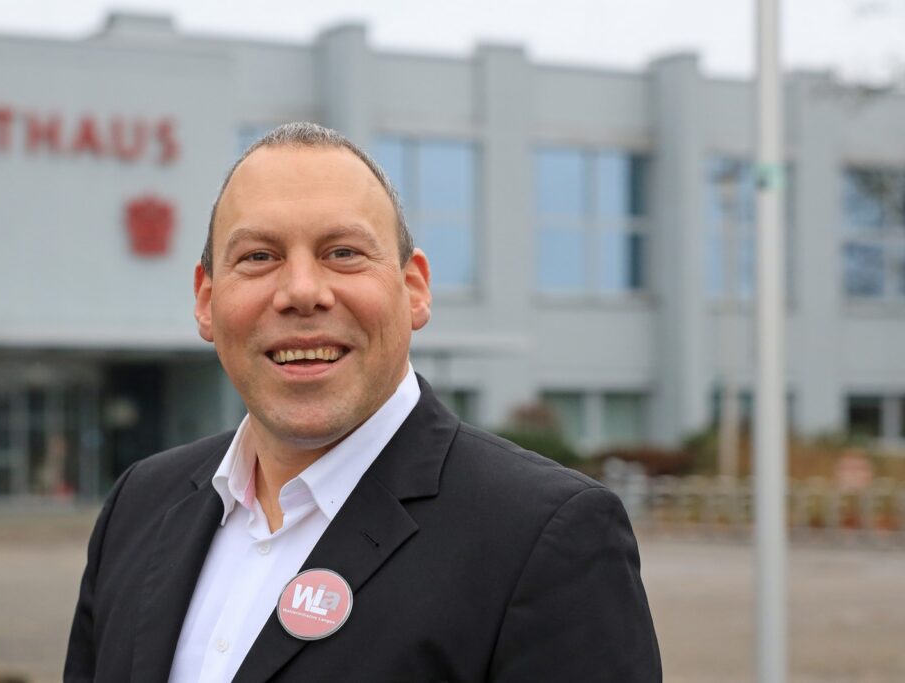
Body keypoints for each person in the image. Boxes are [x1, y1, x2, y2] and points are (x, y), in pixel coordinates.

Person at [64, 122, 661, 682]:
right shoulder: (139, 504)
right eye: (259, 257)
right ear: (206, 302)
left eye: (343, 252)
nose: (301, 292)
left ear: (414, 289)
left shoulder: (544, 537)